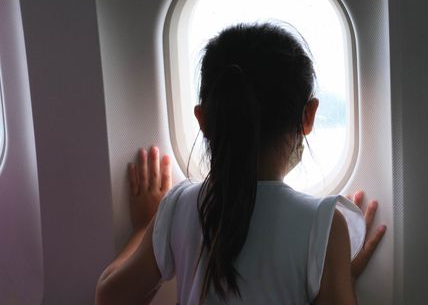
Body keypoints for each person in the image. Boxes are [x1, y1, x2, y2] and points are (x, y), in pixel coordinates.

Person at [96, 23, 386, 305]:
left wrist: (146, 225)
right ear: (308, 115)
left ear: (203, 120)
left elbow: (109, 297)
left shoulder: (179, 206)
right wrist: (337, 276)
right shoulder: (323, 225)